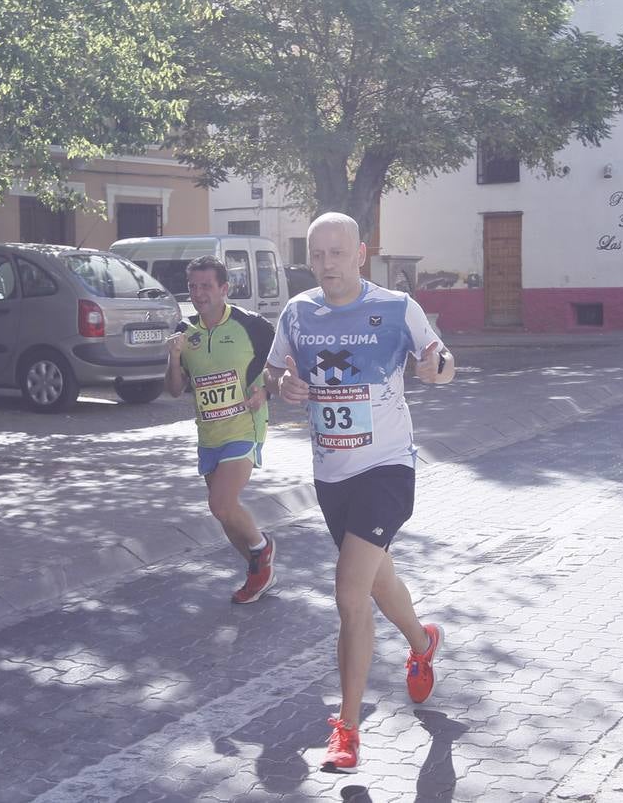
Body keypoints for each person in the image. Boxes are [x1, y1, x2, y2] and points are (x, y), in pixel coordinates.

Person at [267, 212, 454, 773]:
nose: (326, 264)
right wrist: (286, 387)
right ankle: (422, 643)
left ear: (360, 253)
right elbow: (276, 375)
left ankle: (346, 732)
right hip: (331, 474)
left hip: (387, 468)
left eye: (336, 253)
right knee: (377, 579)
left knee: (349, 593)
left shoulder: (397, 307)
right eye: (316, 254)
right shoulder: (298, 312)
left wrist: (433, 370)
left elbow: (443, 361)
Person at [165, 256, 278, 604]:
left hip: (245, 427)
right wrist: (172, 357)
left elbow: (281, 368)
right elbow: (173, 389)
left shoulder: (251, 326)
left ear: (224, 289)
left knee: (221, 502)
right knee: (225, 516)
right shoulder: (185, 331)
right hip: (209, 434)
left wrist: (265, 390)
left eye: (206, 286)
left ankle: (263, 548)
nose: (199, 294)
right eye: (193, 287)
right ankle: (259, 573)